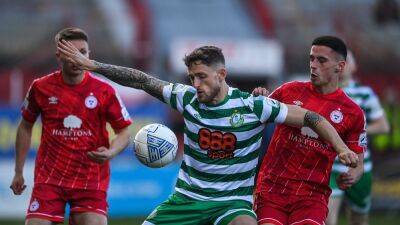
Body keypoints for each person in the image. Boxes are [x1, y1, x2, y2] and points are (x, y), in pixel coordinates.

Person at [57, 42, 358, 225]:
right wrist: (92, 65)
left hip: (233, 202)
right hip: (187, 198)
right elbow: (141, 80)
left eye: (202, 77)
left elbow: (312, 117)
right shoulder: (186, 98)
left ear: (221, 75)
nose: (196, 83)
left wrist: (341, 147)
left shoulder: (253, 106)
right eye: (192, 77)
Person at [10, 28, 132, 225]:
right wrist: (18, 171)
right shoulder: (40, 87)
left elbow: (124, 130)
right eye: (70, 52)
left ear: (89, 55)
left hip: (91, 179)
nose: (77, 58)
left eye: (82, 52)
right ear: (59, 55)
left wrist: (111, 151)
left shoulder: (105, 91)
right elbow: (25, 126)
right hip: (49, 179)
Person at [253, 36, 367, 225]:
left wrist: (352, 175)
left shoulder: (352, 112)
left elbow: (358, 163)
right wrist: (259, 98)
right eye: (311, 58)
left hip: (312, 195)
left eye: (321, 60)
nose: (313, 65)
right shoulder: (288, 91)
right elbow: (257, 120)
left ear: (340, 66)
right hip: (272, 188)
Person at [326, 52, 390, 225]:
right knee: (327, 219)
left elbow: (383, 126)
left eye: (347, 61)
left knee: (358, 220)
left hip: (360, 166)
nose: (343, 64)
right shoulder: (325, 92)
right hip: (331, 165)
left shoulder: (364, 94)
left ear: (354, 67)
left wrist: (356, 131)